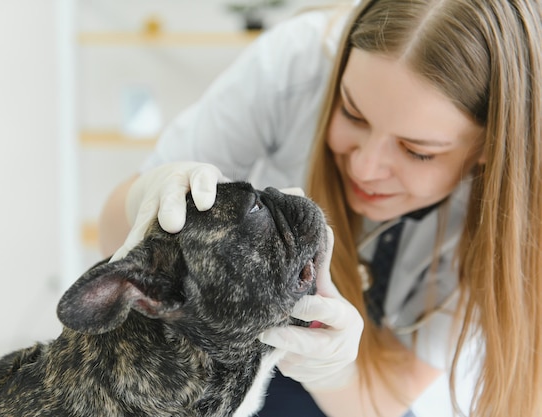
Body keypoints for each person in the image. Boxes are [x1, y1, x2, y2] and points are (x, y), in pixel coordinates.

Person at [98, 0, 542, 416]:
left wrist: (332, 372)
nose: (366, 168)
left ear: (489, 146)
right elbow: (112, 236)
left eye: (416, 151)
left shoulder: (508, 223)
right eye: (352, 113)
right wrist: (145, 199)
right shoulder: (294, 67)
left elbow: (377, 400)